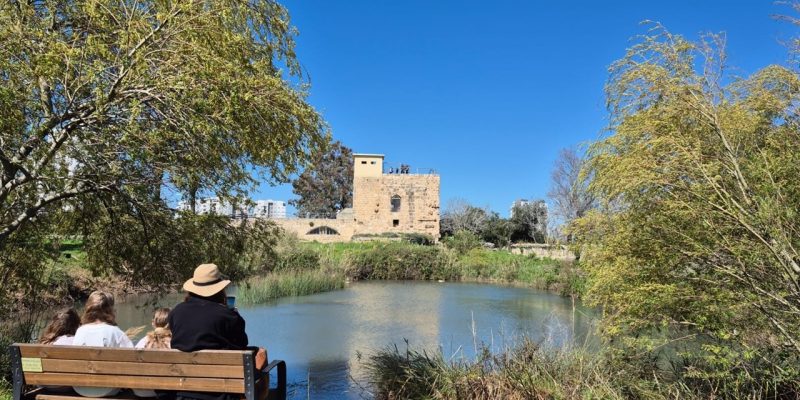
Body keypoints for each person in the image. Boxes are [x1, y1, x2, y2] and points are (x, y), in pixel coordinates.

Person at [169, 263, 267, 400]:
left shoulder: (176, 312)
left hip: (183, 392)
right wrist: (232, 314)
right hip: (222, 393)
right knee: (261, 353)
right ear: (219, 290)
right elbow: (241, 346)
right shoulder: (229, 316)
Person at [73, 291, 133, 397]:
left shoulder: (80, 331)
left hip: (80, 387)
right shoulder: (115, 332)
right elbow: (132, 360)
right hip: (108, 388)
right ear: (110, 310)